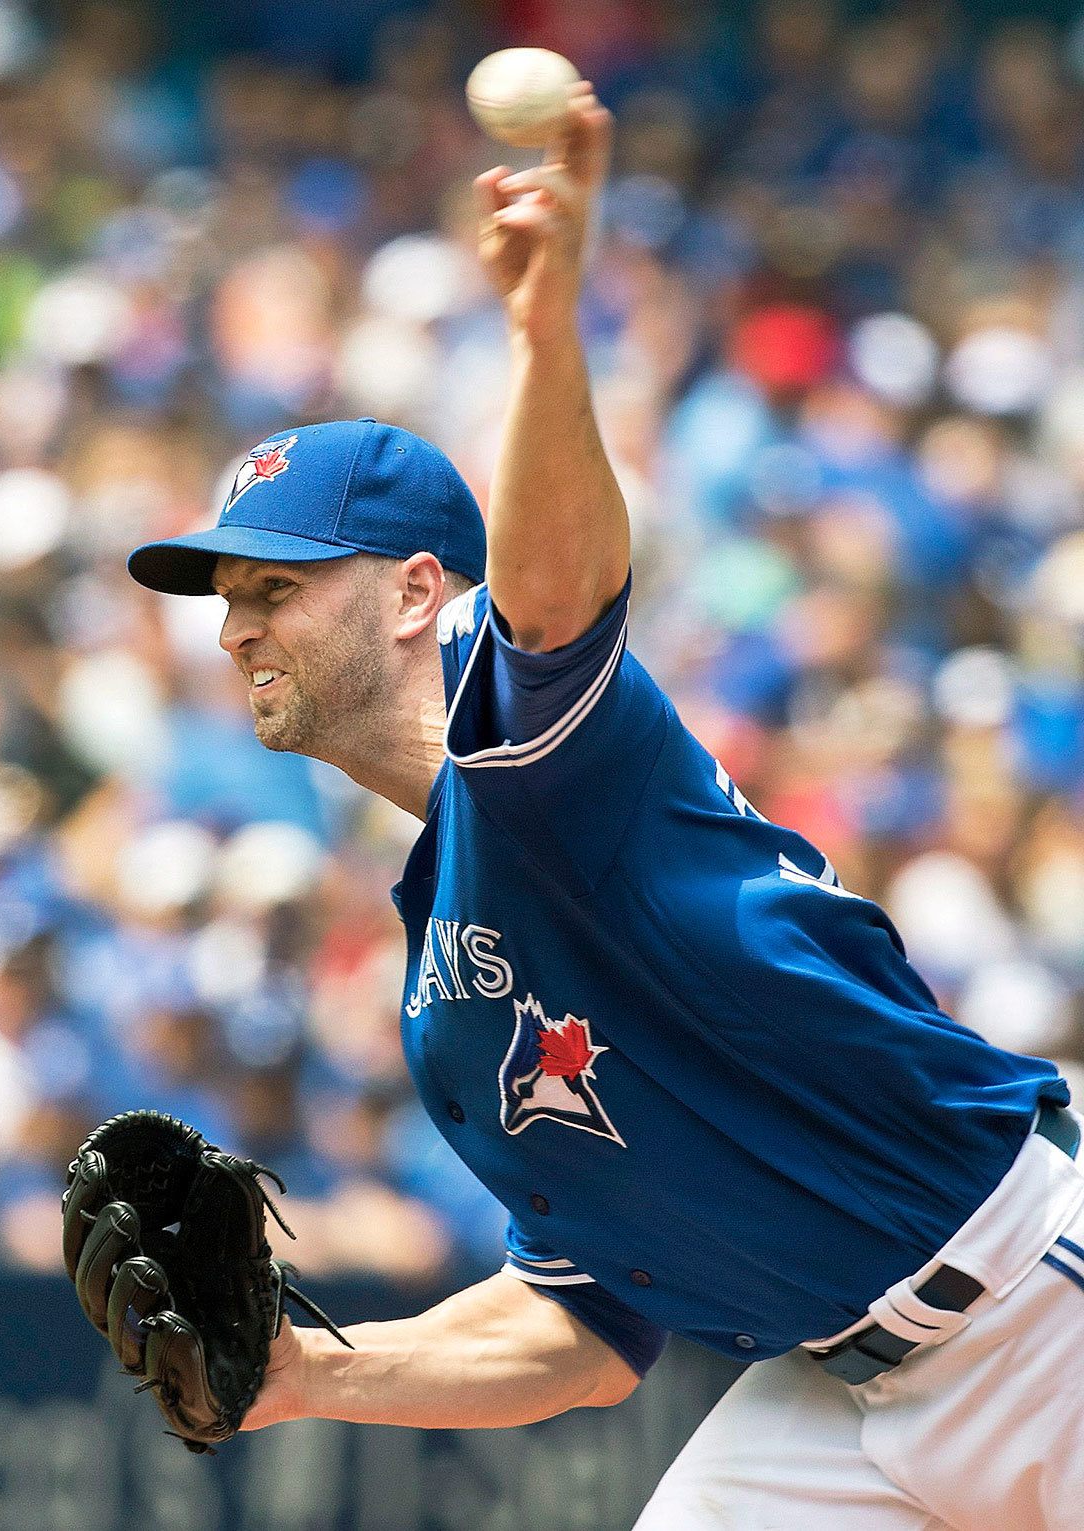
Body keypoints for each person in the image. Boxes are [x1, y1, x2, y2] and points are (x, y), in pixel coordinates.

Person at [126, 85, 1084, 1531]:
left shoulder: (552, 761)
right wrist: (297, 1373)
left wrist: (543, 329)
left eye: (275, 588)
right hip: (841, 1395)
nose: (236, 629)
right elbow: (575, 1337)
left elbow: (562, 593)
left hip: (1042, 1312)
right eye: (230, 602)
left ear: (413, 593)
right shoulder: (444, 968)